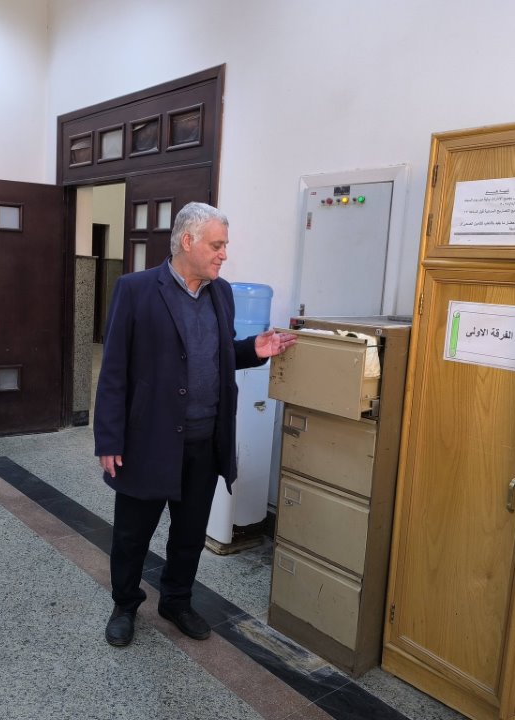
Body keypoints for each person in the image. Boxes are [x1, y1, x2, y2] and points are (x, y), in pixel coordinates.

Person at [94, 201, 296, 647]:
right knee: (131, 536)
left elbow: (217, 354)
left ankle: (176, 600)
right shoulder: (136, 290)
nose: (224, 254)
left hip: (204, 441)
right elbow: (114, 371)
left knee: (189, 534)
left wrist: (253, 349)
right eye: (217, 245)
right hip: (147, 441)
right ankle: (125, 605)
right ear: (188, 241)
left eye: (225, 245)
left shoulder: (221, 294)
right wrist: (108, 438)